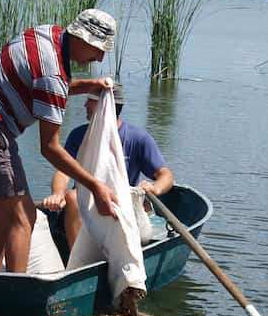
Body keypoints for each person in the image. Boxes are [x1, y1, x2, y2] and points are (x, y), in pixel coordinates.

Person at [0, 9, 119, 273]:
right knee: (23, 217)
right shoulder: (53, 76)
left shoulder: (48, 33)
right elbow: (50, 148)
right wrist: (95, 185)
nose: (99, 57)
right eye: (98, 49)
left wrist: (86, 85)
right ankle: (14, 294)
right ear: (83, 39)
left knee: (3, 211)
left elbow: (41, 85)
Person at [40, 82, 174, 249]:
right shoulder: (78, 135)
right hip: (82, 206)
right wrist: (58, 193)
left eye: (91, 100)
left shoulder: (138, 138)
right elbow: (63, 172)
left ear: (106, 105)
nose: (85, 105)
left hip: (119, 206)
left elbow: (166, 175)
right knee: (72, 198)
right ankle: (80, 263)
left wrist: (155, 188)